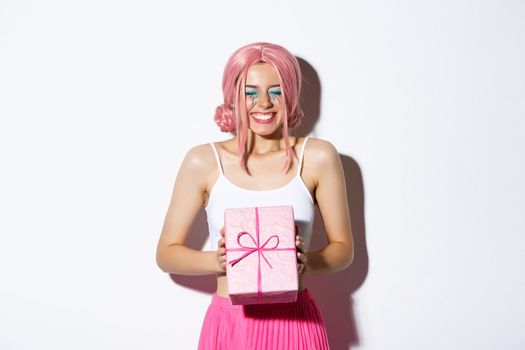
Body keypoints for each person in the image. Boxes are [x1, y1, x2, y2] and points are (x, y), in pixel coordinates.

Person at [156, 42, 354, 350]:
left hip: (296, 321)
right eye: (250, 92)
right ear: (232, 97)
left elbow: (343, 249)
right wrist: (219, 260)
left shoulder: (318, 157)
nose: (264, 103)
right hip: (231, 324)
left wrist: (306, 262)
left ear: (291, 94)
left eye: (277, 91)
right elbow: (166, 254)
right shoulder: (204, 161)